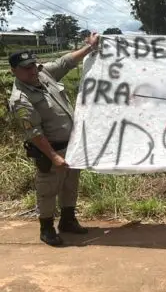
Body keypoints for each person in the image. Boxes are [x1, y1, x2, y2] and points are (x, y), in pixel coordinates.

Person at [8, 33, 100, 246]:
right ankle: (47, 228)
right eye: (26, 68)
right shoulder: (21, 100)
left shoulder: (43, 74)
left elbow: (65, 62)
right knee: (48, 190)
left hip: (71, 146)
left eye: (33, 65)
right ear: (14, 72)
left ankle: (68, 221)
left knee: (70, 185)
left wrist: (89, 48)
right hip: (50, 151)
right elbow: (34, 133)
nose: (32, 70)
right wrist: (54, 157)